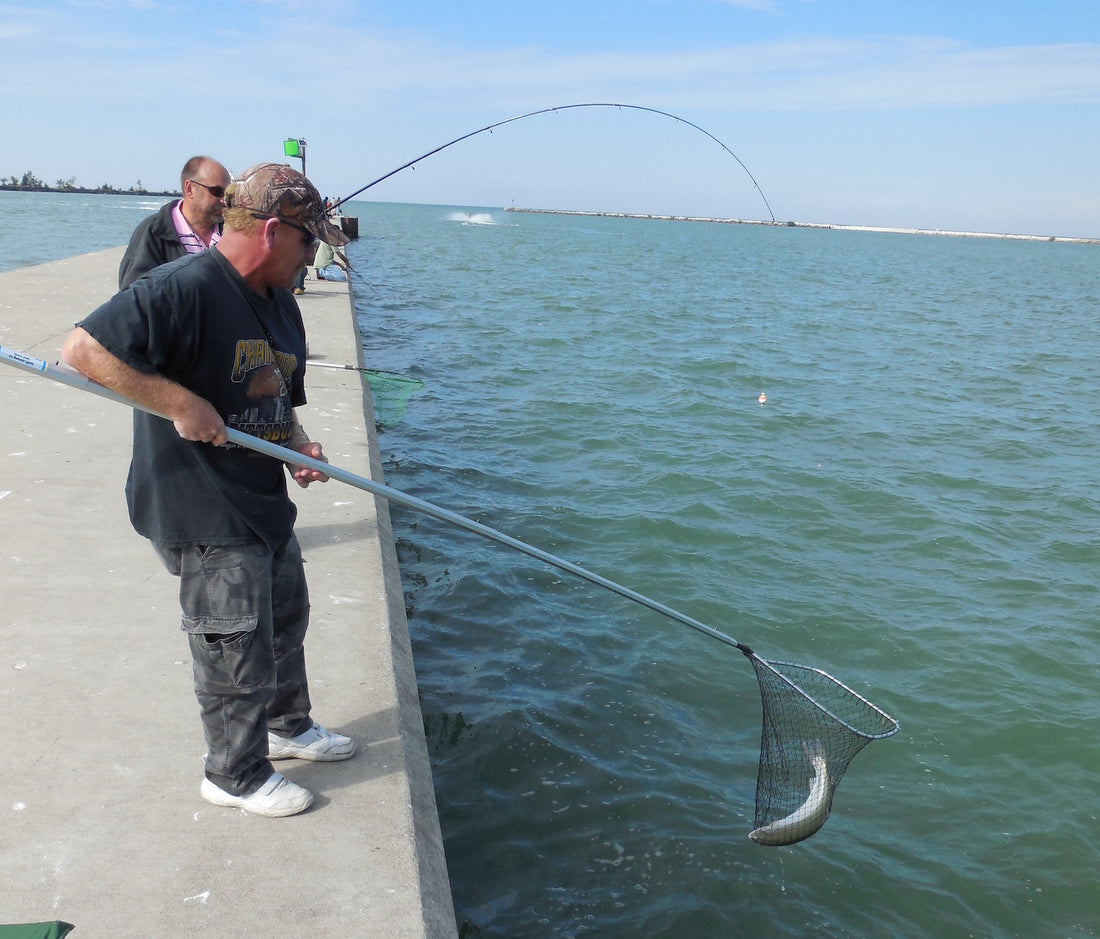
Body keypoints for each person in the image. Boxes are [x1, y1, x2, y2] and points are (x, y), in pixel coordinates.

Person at [63, 163, 354, 818]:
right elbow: (84, 351)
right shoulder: (185, 287)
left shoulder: (282, 301)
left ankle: (288, 725)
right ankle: (234, 772)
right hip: (201, 506)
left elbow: (276, 393)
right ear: (274, 231)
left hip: (261, 499)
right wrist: (178, 403)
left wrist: (298, 446)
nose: (317, 253)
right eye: (311, 241)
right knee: (234, 641)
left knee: (284, 618)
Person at [117, 155, 231, 290]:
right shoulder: (154, 233)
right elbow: (134, 298)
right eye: (217, 191)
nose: (224, 200)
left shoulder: (233, 232)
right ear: (189, 189)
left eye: (229, 194)